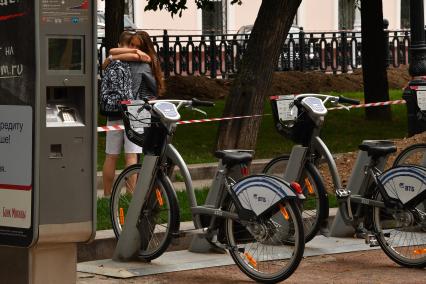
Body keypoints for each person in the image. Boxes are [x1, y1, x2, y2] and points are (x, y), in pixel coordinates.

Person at [101, 31, 154, 197]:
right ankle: (132, 196)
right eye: (132, 45)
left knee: (111, 156)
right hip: (137, 109)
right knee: (132, 157)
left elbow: (109, 58)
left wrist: (112, 57)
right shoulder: (145, 64)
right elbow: (150, 91)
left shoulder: (113, 63)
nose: (134, 48)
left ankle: (107, 196)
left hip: (115, 110)